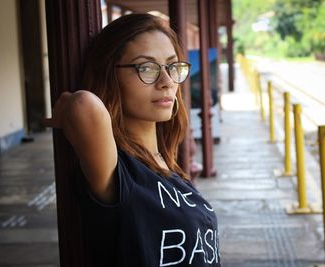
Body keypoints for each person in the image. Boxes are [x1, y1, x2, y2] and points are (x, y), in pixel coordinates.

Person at [44, 13, 220, 267]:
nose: (167, 82)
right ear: (109, 76)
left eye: (172, 66)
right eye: (146, 68)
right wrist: (69, 104)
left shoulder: (165, 162)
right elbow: (84, 105)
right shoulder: (117, 171)